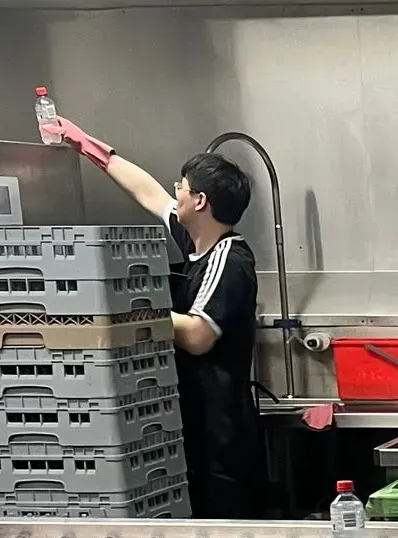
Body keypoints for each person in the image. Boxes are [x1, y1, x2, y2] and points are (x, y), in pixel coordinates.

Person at [46, 114, 264, 515]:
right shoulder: (195, 241)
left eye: (181, 188)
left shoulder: (230, 259)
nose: (175, 194)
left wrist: (126, 310)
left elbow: (199, 336)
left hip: (222, 434)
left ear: (200, 201)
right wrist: (87, 145)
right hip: (192, 422)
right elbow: (147, 192)